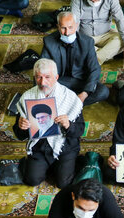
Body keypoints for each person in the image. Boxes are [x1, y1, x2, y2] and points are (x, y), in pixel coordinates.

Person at [14, 58, 84, 188]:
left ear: (56, 77)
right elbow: (19, 135)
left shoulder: (70, 97)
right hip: (39, 147)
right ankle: (43, 165)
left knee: (64, 184)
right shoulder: (27, 97)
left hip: (65, 146)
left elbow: (80, 130)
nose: (43, 82)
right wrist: (21, 127)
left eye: (47, 77)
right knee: (32, 180)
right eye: (38, 77)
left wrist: (69, 125)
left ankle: (68, 163)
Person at [41, 12, 109, 106]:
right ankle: (72, 104)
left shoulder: (87, 42)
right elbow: (42, 69)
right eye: (63, 28)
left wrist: (85, 93)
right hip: (59, 81)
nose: (67, 33)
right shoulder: (49, 41)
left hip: (80, 81)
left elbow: (95, 69)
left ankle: (65, 104)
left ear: (76, 25)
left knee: (103, 91)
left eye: (70, 27)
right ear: (58, 26)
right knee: (42, 87)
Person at [71, 0, 124, 65]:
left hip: (106, 34)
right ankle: (104, 54)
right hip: (85, 38)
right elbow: (74, 24)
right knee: (75, 44)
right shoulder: (76, 1)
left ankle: (94, 60)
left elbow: (120, 20)